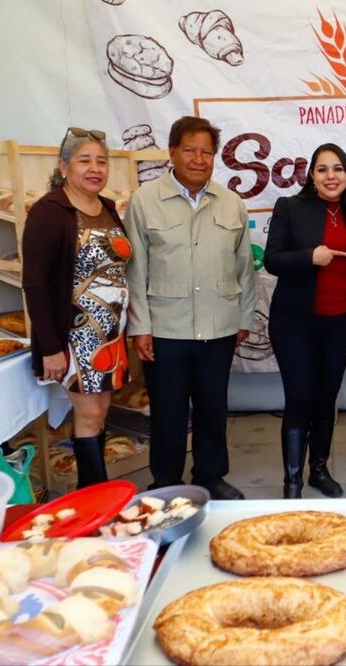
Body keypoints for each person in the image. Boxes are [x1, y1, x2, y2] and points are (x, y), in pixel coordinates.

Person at [125, 116, 256, 500]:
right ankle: (166, 481)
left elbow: (244, 266)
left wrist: (243, 318)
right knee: (167, 412)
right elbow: (136, 270)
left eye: (206, 152)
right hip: (166, 328)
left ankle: (211, 476)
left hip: (219, 326)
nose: (198, 159)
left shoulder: (231, 203)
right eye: (189, 150)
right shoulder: (145, 201)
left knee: (212, 408)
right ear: (172, 153)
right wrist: (140, 326)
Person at [23, 127, 131, 489]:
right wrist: (51, 348)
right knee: (89, 414)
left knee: (99, 414)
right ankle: (98, 501)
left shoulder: (108, 208)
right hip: (76, 334)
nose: (94, 168)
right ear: (64, 166)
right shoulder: (50, 211)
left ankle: (92, 496)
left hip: (110, 333)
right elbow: (35, 284)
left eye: (101, 161)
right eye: (84, 160)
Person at [264, 143, 346, 499]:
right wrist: (311, 256)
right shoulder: (290, 207)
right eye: (323, 169)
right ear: (311, 175)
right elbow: (273, 261)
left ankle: (318, 471)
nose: (331, 176)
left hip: (340, 322)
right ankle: (291, 482)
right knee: (299, 397)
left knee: (326, 398)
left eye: (338, 169)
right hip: (295, 321)